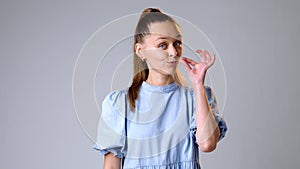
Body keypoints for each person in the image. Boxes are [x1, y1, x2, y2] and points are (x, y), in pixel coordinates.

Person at [93, 7, 227, 169]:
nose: (173, 52)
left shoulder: (197, 98)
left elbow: (207, 144)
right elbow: (111, 166)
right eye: (163, 45)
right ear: (140, 51)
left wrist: (198, 85)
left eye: (177, 43)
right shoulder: (119, 104)